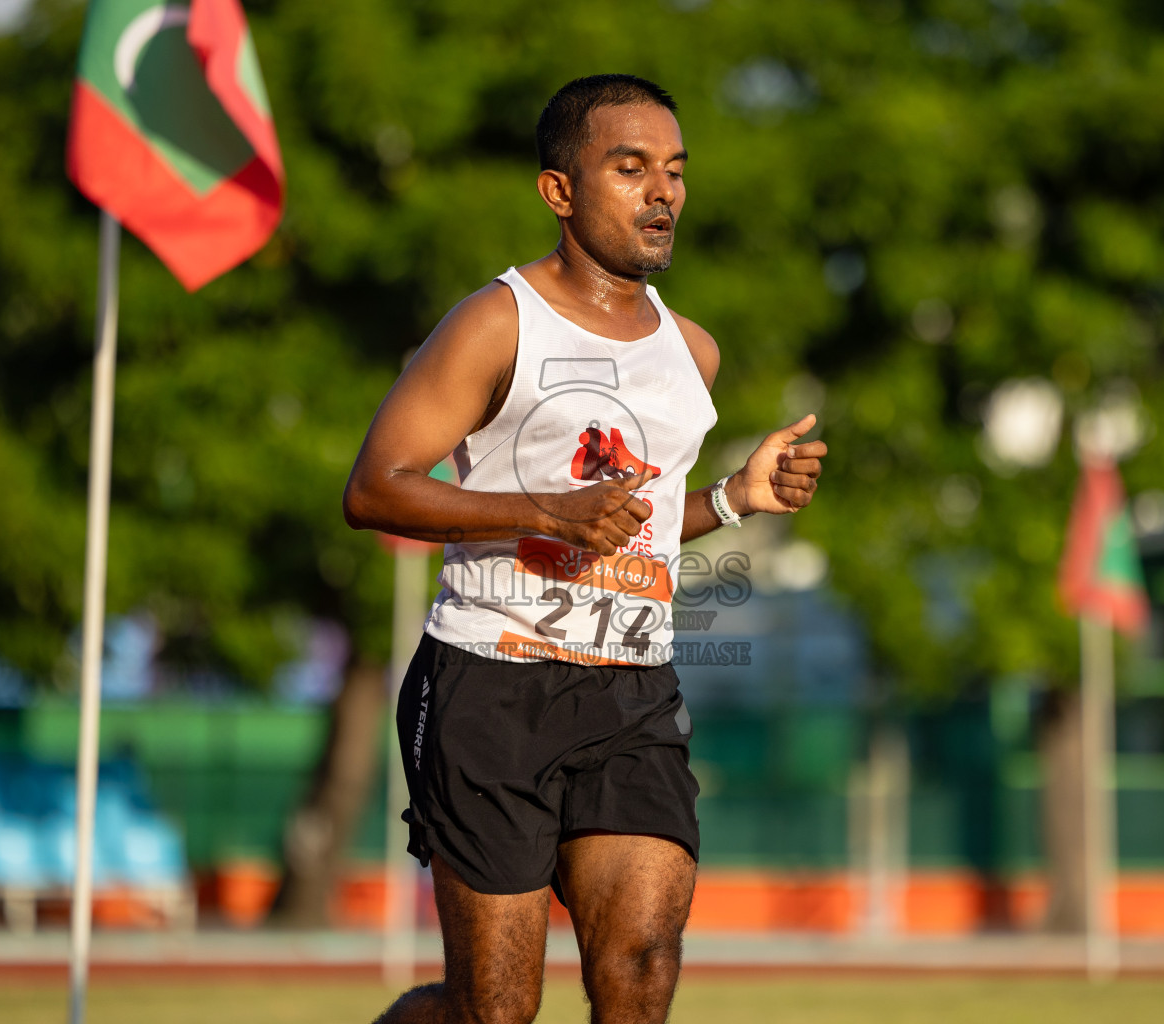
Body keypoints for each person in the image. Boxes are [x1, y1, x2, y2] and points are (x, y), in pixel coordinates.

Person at [345, 73, 826, 1024]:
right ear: (559, 191)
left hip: (631, 691)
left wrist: (732, 499)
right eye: (631, 167)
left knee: (641, 964)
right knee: (497, 1011)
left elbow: (631, 524)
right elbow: (375, 488)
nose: (664, 193)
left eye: (676, 171)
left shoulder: (694, 353)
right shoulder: (497, 322)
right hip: (489, 684)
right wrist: (545, 514)